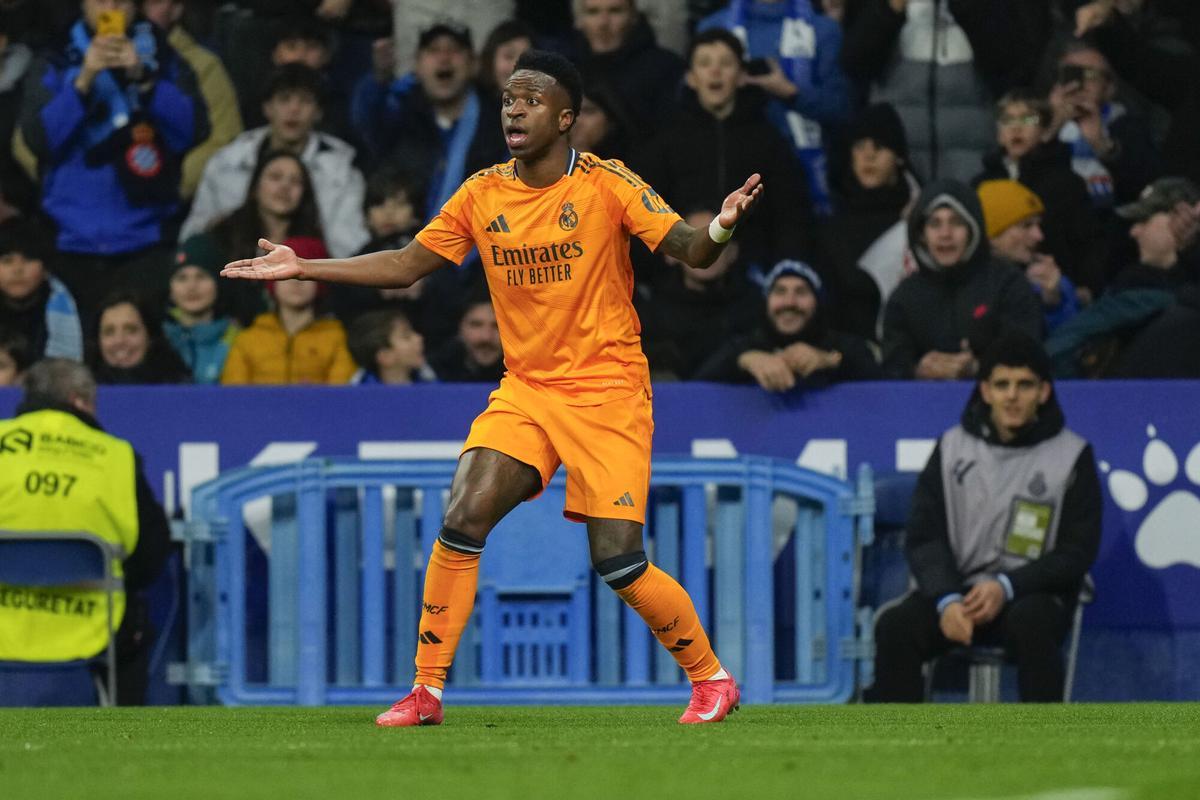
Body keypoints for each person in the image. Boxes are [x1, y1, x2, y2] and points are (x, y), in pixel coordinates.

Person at [223, 49, 763, 726]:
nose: (514, 107)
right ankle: (426, 692)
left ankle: (711, 679)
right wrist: (303, 269)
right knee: (463, 515)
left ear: (566, 118)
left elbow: (689, 250)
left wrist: (722, 223)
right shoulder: (482, 192)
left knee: (618, 562)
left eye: (532, 99)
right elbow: (405, 263)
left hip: (608, 391)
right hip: (528, 390)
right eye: (509, 96)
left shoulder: (606, 183)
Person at [865, 331, 1101, 702]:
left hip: (1030, 596)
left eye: (1024, 385)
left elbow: (1077, 551)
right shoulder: (952, 447)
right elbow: (925, 535)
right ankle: (895, 753)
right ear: (985, 391)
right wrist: (946, 599)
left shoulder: (1072, 455)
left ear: (1044, 392)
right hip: (957, 595)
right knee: (897, 627)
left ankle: (1044, 752)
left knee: (1034, 623)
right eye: (1002, 384)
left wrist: (1006, 586)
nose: (1012, 396)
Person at [16, 0, 209, 320]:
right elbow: (40, 140)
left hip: (147, 240)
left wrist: (144, 78)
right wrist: (84, 81)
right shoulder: (55, 57)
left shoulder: (162, 54)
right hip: (71, 241)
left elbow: (193, 129)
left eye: (122, 0)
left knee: (141, 354)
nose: (112, 7)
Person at [0, 358, 172, 704]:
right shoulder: (115, 456)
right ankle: (119, 743)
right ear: (80, 400)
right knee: (138, 623)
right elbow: (151, 557)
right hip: (88, 628)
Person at [635, 28, 812, 270]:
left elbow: (790, 213)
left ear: (741, 76)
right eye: (705, 63)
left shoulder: (768, 139)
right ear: (691, 78)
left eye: (726, 63)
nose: (715, 71)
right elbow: (643, 214)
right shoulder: (666, 138)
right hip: (678, 273)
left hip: (751, 273)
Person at [182, 63, 368, 259]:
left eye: (305, 101)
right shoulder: (226, 164)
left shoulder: (342, 172)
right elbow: (196, 234)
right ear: (267, 108)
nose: (294, 110)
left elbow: (349, 244)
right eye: (284, 99)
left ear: (318, 113)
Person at [697, 0, 853, 214]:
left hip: (806, 180)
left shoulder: (823, 30)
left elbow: (842, 108)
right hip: (730, 169)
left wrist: (792, 93)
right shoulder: (713, 28)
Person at [881, 179, 1043, 380]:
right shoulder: (904, 297)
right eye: (934, 223)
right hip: (924, 406)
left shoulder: (1008, 283)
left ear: (973, 229)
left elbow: (1028, 355)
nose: (945, 234)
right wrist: (918, 370)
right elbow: (891, 370)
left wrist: (978, 368)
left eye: (956, 222)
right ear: (921, 235)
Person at [1045, 177, 1200, 378]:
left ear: (1183, 218)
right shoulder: (1130, 281)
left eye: (1144, 220)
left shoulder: (1149, 293)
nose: (1134, 232)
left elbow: (1055, 350)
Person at [351, 22, 508, 218]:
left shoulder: (499, 123)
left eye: (454, 50)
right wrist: (379, 80)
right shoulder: (398, 117)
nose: (444, 58)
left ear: (472, 65)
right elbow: (367, 124)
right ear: (417, 66)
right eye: (433, 50)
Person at [974, 89, 1104, 297]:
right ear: (999, 134)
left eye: (1028, 119)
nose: (1016, 127)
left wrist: (1086, 288)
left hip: (1057, 289)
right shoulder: (981, 184)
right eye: (1007, 120)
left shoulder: (1067, 183)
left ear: (1044, 131)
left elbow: (1088, 246)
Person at [695, 259, 880, 389]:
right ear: (766, 302)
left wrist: (829, 360)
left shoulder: (841, 345)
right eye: (780, 291)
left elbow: (882, 382)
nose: (789, 303)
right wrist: (744, 360)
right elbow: (694, 389)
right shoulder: (744, 345)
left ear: (818, 302)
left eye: (801, 292)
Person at [819, 102, 918, 342]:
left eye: (880, 146)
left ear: (899, 157)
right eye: (860, 146)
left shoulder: (920, 222)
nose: (868, 155)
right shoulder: (831, 228)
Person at [199, 149, 329, 326]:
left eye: (295, 181)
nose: (285, 187)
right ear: (255, 187)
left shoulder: (314, 248)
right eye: (275, 177)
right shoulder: (221, 237)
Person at [637, 208, 761, 381]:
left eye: (718, 239)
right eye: (696, 239)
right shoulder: (647, 318)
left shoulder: (756, 308)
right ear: (671, 253)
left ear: (733, 252)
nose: (707, 249)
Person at [138, 0, 243, 200]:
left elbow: (225, 138)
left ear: (176, 9)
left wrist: (172, 181)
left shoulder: (204, 65)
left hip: (179, 198)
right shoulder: (89, 59)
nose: (143, 8)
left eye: (154, 1)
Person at [221, 237, 356, 386]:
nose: (295, 282)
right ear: (272, 283)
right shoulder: (247, 340)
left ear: (320, 282)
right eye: (285, 275)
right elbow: (232, 398)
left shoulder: (336, 338)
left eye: (305, 276)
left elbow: (341, 397)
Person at [977, 180, 1083, 334]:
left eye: (1038, 225)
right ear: (991, 235)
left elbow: (1071, 345)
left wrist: (1054, 304)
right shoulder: (968, 283)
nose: (1039, 236)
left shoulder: (1049, 280)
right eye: (1026, 226)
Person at [573, 0, 685, 140]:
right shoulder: (564, 70)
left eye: (615, 11)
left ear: (633, 17)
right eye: (593, 12)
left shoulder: (667, 68)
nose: (603, 23)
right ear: (580, 20)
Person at [0, 217, 83, 362]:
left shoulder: (70, 305)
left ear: (45, 269)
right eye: (7, 260)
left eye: (28, 259)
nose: (17, 270)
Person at [162, 236, 239, 385]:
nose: (192, 286)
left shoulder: (238, 339)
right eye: (182, 278)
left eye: (202, 276)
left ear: (218, 284)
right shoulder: (157, 339)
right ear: (170, 289)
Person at [87, 291, 191, 384]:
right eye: (109, 332)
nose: (119, 340)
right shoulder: (80, 396)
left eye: (131, 331)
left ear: (151, 338)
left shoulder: (180, 387)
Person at [427, 294, 505, 384]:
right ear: (459, 328)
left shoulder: (523, 378)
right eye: (476, 325)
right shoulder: (433, 372)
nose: (486, 337)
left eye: (497, 326)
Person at [347, 308, 436, 385]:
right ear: (385, 356)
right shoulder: (357, 395)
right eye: (406, 337)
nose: (419, 338)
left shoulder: (432, 384)